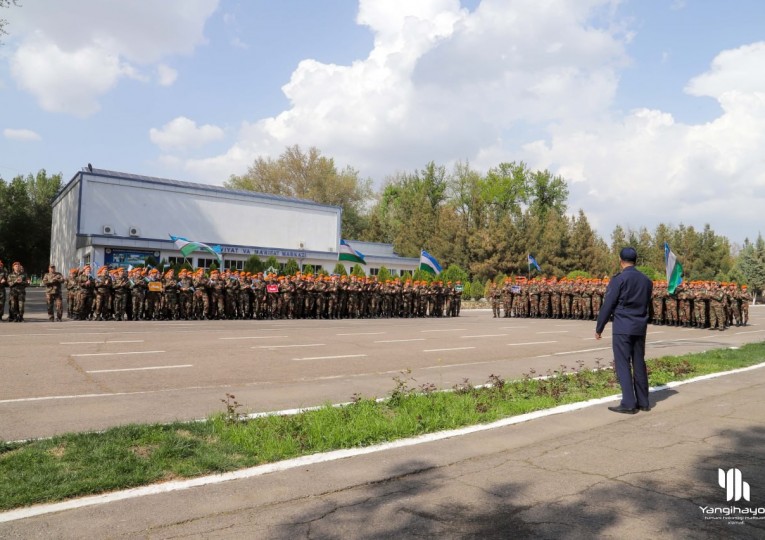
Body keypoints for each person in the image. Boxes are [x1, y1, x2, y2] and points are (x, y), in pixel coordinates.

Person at [595, 247, 653, 414]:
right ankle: (643, 402)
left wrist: (600, 327)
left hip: (622, 327)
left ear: (620, 260)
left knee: (623, 364)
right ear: (636, 260)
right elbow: (649, 306)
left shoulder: (619, 279)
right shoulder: (646, 281)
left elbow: (609, 304)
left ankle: (628, 402)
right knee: (639, 363)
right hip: (640, 327)